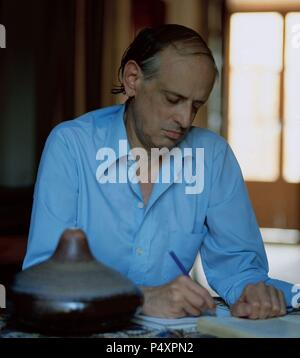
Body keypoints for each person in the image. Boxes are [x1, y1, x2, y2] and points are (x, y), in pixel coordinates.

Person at [23, 24, 295, 320]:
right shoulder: (71, 146)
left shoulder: (213, 157)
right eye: (173, 99)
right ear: (132, 80)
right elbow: (43, 278)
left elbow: (240, 270)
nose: (184, 119)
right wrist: (139, 299)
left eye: (196, 105)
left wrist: (253, 291)